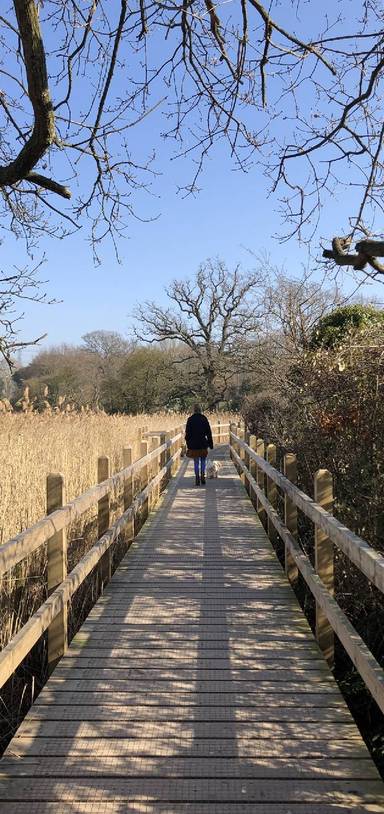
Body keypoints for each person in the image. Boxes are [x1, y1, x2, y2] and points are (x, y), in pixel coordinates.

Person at [185, 404, 213, 486]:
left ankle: (197, 477)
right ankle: (203, 476)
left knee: (196, 462)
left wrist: (188, 444)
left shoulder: (190, 419)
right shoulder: (204, 418)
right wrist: (210, 444)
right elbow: (209, 432)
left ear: (194, 410)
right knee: (203, 461)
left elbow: (187, 434)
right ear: (200, 410)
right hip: (203, 444)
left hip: (193, 445)